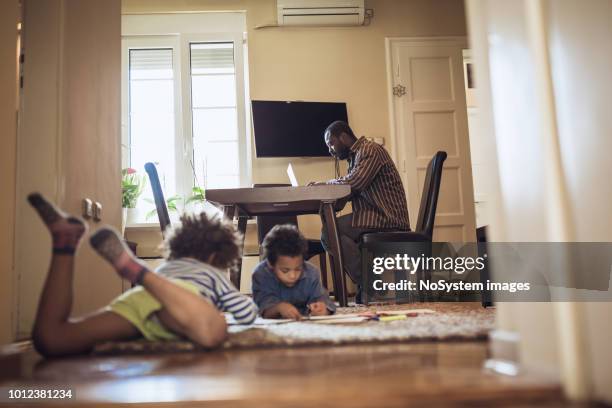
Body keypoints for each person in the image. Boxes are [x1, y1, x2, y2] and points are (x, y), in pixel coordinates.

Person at [27, 193, 257, 357]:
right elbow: (247, 314)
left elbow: (47, 342)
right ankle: (137, 270)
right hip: (181, 299)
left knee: (53, 339)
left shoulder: (168, 268)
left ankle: (64, 243)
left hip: (141, 296)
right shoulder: (211, 273)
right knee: (213, 331)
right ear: (215, 257)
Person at [309, 120, 410, 302]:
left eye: (331, 143)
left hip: (387, 217)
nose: (330, 150)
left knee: (329, 233)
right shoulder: (356, 157)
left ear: (344, 137)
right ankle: (368, 285)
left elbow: (355, 182)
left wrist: (326, 184)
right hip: (373, 216)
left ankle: (370, 285)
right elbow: (352, 184)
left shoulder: (370, 150)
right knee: (332, 232)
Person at [251, 224, 336, 320]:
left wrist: (322, 308)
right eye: (285, 270)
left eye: (298, 269)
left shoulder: (311, 273)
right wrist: (279, 308)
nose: (292, 276)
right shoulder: (261, 274)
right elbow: (262, 308)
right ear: (271, 265)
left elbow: (322, 299)